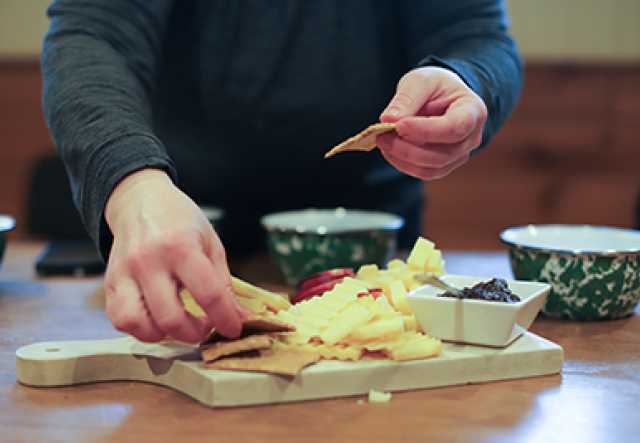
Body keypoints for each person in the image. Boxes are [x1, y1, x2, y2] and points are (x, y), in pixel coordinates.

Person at [41, 0, 522, 343]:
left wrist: (468, 80)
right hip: (179, 244)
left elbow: (477, 37)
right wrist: (133, 186)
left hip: (372, 267)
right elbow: (94, 33)